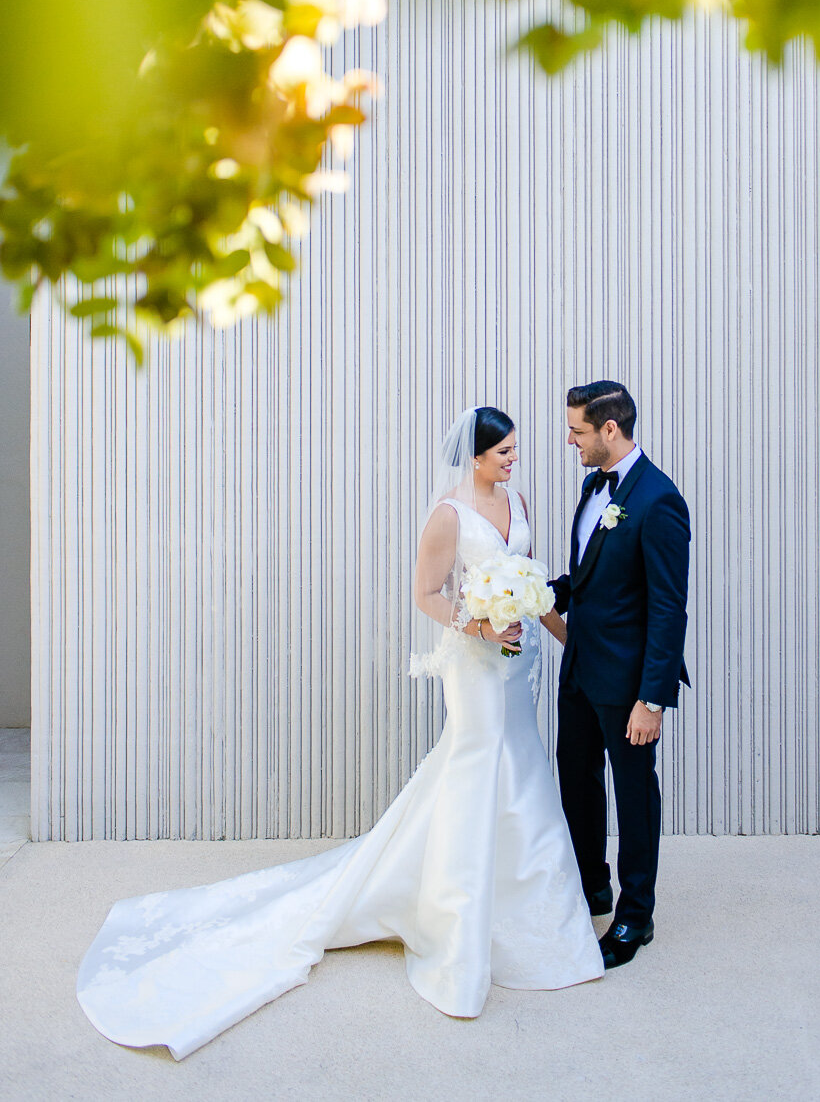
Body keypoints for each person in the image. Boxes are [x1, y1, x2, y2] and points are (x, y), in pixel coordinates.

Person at [76, 406, 603, 1059]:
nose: (513, 463)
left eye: (516, 452)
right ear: (474, 457)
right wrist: (480, 624)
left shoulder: (516, 501)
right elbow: (427, 594)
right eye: (503, 455)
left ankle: (533, 922)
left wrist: (560, 635)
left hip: (519, 664)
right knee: (476, 769)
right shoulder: (448, 515)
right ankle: (455, 932)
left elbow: (531, 582)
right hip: (473, 665)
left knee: (522, 772)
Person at [552, 381, 690, 970]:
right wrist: (540, 589)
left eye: (578, 430)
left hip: (630, 683)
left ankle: (636, 913)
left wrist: (651, 701)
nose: (570, 439)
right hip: (581, 668)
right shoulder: (594, 486)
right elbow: (589, 577)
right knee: (576, 778)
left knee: (634, 795)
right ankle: (593, 885)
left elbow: (668, 607)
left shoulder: (659, 501)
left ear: (610, 430)